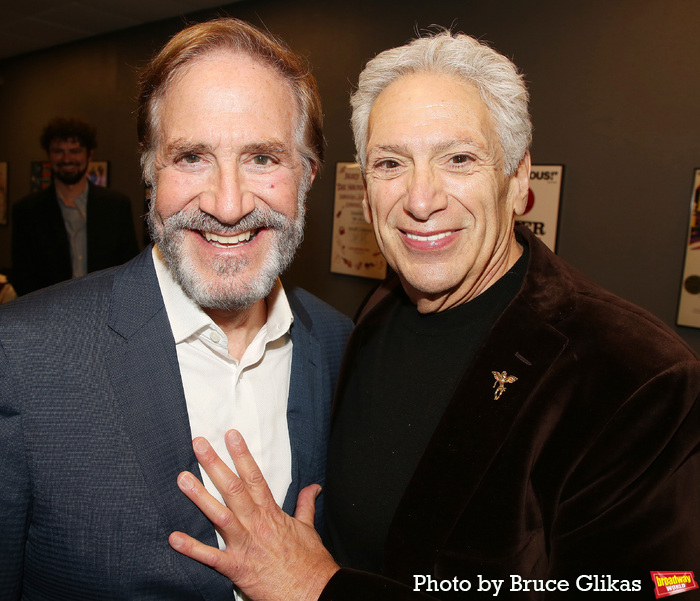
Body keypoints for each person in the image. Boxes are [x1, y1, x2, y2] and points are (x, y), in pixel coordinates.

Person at [167, 30, 700, 600]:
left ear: (518, 180)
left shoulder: (635, 375)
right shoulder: (374, 316)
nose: (421, 200)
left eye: (459, 159)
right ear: (366, 194)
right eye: (391, 163)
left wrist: (321, 589)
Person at [0, 18, 352, 600]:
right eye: (191, 157)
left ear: (308, 176)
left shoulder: (341, 344)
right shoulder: (21, 355)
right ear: (148, 173)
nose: (229, 204)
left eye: (263, 158)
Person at [11, 117, 139, 295]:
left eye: (75, 151)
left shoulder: (116, 206)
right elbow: (21, 276)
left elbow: (129, 267)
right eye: (58, 151)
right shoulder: (26, 212)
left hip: (104, 311)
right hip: (47, 315)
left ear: (90, 154)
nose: (67, 158)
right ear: (48, 155)